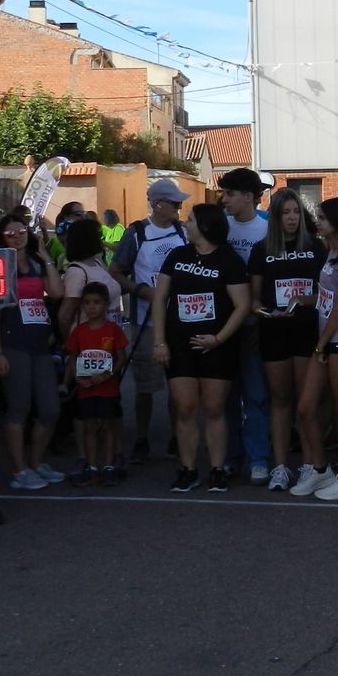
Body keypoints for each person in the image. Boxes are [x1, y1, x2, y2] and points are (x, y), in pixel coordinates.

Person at [153, 203, 251, 492]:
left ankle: (217, 469)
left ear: (206, 226)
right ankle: (188, 468)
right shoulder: (177, 256)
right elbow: (160, 298)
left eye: (191, 219)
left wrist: (218, 338)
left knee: (214, 408)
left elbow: (242, 305)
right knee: (185, 408)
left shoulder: (229, 260)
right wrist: (160, 341)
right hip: (179, 344)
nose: (186, 223)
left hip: (216, 347)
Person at [250, 187, 325, 491]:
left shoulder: (315, 246)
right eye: (285, 213)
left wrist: (307, 299)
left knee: (305, 402)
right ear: (276, 216)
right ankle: (280, 467)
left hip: (307, 331)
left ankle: (309, 465)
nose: (292, 218)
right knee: (280, 399)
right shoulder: (261, 250)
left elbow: (328, 292)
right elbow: (253, 299)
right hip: (275, 332)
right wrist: (267, 312)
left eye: (296, 212)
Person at [111, 178, 191, 464]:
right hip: (145, 321)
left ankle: (177, 437)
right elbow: (116, 271)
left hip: (179, 320)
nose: (179, 208)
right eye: (175, 203)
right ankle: (142, 438)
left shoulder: (184, 232)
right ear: (158, 205)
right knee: (145, 385)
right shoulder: (136, 233)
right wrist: (140, 290)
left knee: (177, 383)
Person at [293, 196, 338, 500]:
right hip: (326, 340)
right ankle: (320, 469)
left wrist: (321, 344)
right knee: (306, 406)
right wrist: (304, 299)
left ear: (337, 222)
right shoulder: (331, 251)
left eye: (323, 218)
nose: (318, 222)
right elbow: (328, 296)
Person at [0, 212, 65, 491]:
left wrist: (45, 257)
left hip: (40, 344)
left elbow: (57, 293)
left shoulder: (35, 262)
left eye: (21, 232)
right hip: (13, 345)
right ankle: (19, 469)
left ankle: (36, 461)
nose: (17, 237)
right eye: (10, 234)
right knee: (19, 408)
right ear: (1, 237)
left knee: (50, 408)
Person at [218, 168, 272, 483]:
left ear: (249, 197)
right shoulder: (219, 228)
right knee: (226, 394)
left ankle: (259, 458)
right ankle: (230, 456)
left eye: (230, 193)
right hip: (223, 323)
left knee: (256, 394)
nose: (224, 199)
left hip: (255, 324)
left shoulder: (268, 228)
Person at [64, 282, 129, 486]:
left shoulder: (113, 330)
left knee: (108, 426)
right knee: (90, 426)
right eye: (87, 303)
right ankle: (92, 466)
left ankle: (108, 465)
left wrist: (108, 375)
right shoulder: (78, 332)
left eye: (97, 302)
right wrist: (77, 378)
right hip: (86, 389)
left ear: (106, 304)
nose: (91, 307)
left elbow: (121, 357)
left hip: (107, 389)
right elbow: (72, 357)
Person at [57, 218, 122, 333]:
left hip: (110, 336)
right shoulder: (77, 271)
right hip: (90, 339)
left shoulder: (97, 262)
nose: (101, 238)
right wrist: (74, 341)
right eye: (98, 235)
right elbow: (65, 316)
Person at [48, 200, 86, 266]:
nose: (84, 217)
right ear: (66, 217)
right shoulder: (56, 240)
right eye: (78, 214)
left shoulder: (87, 237)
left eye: (84, 213)